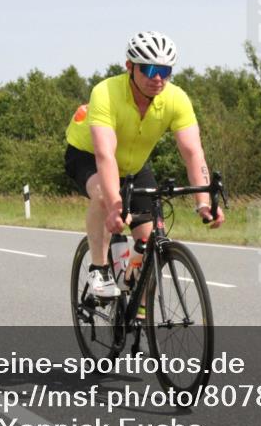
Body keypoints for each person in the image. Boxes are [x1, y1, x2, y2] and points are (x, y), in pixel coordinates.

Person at [65, 31, 224, 300]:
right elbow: (105, 155)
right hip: (88, 156)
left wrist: (204, 202)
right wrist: (116, 206)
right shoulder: (105, 92)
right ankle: (99, 268)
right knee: (105, 196)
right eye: (149, 69)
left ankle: (133, 297)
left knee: (146, 242)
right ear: (129, 66)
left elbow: (193, 152)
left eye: (165, 70)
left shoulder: (176, 99)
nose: (158, 78)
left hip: (134, 166)